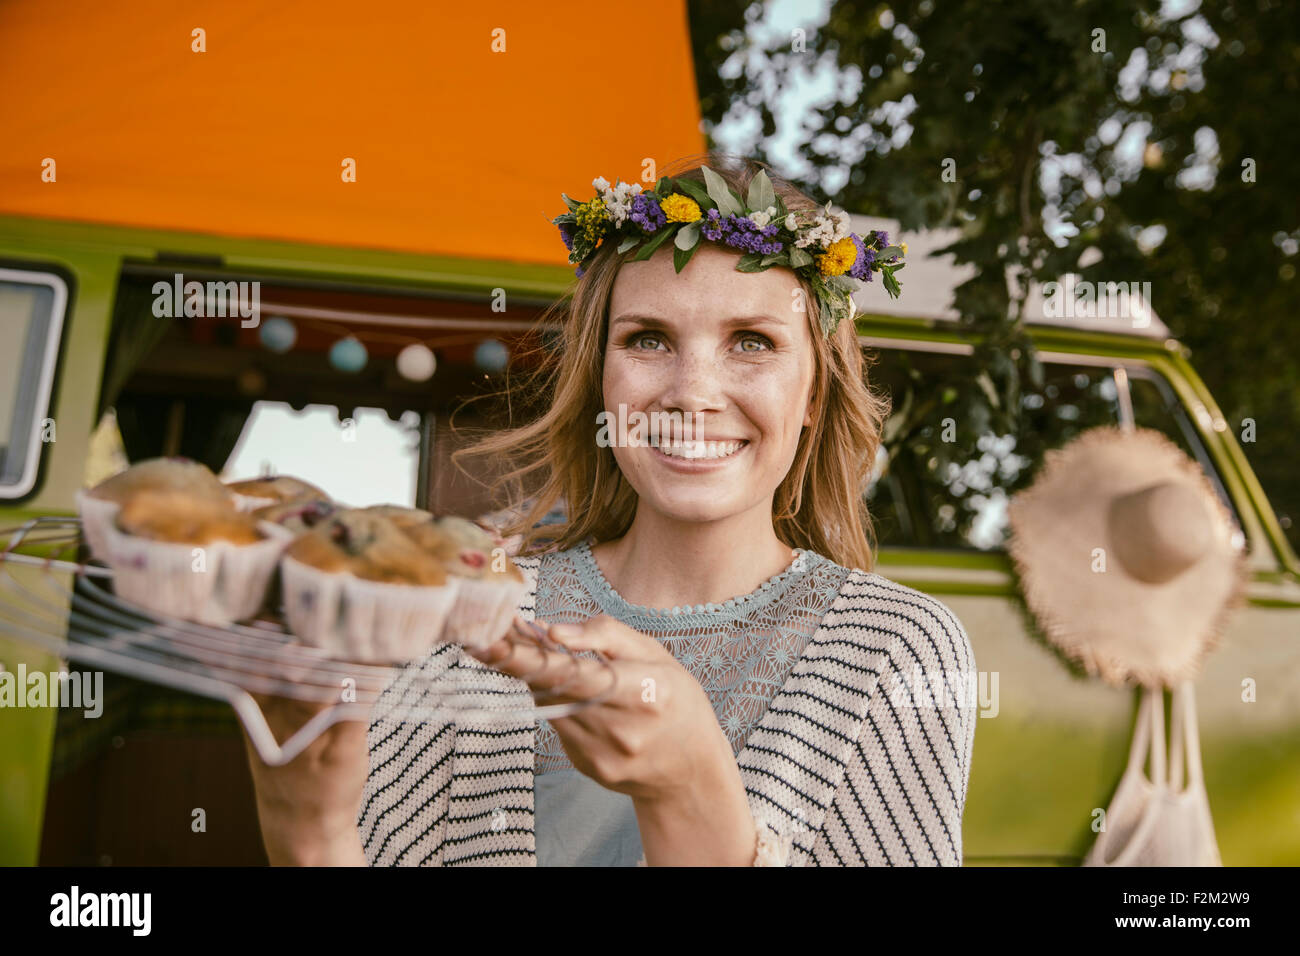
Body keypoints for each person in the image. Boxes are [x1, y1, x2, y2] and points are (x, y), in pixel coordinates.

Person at [243, 153, 976, 867]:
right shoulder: (467, 614)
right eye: (648, 339)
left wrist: (692, 791)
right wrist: (305, 830)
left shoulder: (894, 655)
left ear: (813, 395)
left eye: (752, 342)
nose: (693, 392)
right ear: (602, 381)